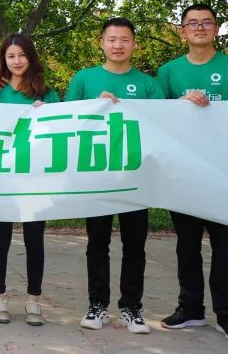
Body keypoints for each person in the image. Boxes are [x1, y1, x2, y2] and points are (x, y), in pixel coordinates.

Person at [157, 3, 228, 343]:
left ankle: (227, 316)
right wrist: (180, 103)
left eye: (207, 22)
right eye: (193, 23)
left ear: (216, 28)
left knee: (227, 249)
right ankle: (190, 309)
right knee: (187, 247)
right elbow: (158, 118)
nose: (200, 27)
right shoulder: (168, 72)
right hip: (184, 172)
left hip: (224, 172)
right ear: (182, 30)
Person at [65, 17, 162, 335]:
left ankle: (132, 308)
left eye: (124, 40)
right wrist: (94, 107)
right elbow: (66, 122)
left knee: (135, 245)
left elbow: (164, 125)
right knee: (97, 243)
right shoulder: (84, 79)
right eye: (112, 39)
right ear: (102, 43)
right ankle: (97, 306)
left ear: (134, 44)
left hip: (135, 176)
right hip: (97, 175)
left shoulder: (148, 84)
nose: (118, 45)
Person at [0, 32, 59, 326]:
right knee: (0, 238)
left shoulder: (46, 93)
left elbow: (60, 131)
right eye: (11, 56)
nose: (17, 61)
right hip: (3, 177)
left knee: (34, 239)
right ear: (3, 59)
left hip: (35, 179)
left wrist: (47, 115)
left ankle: (34, 300)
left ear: (31, 57)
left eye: (22, 55)